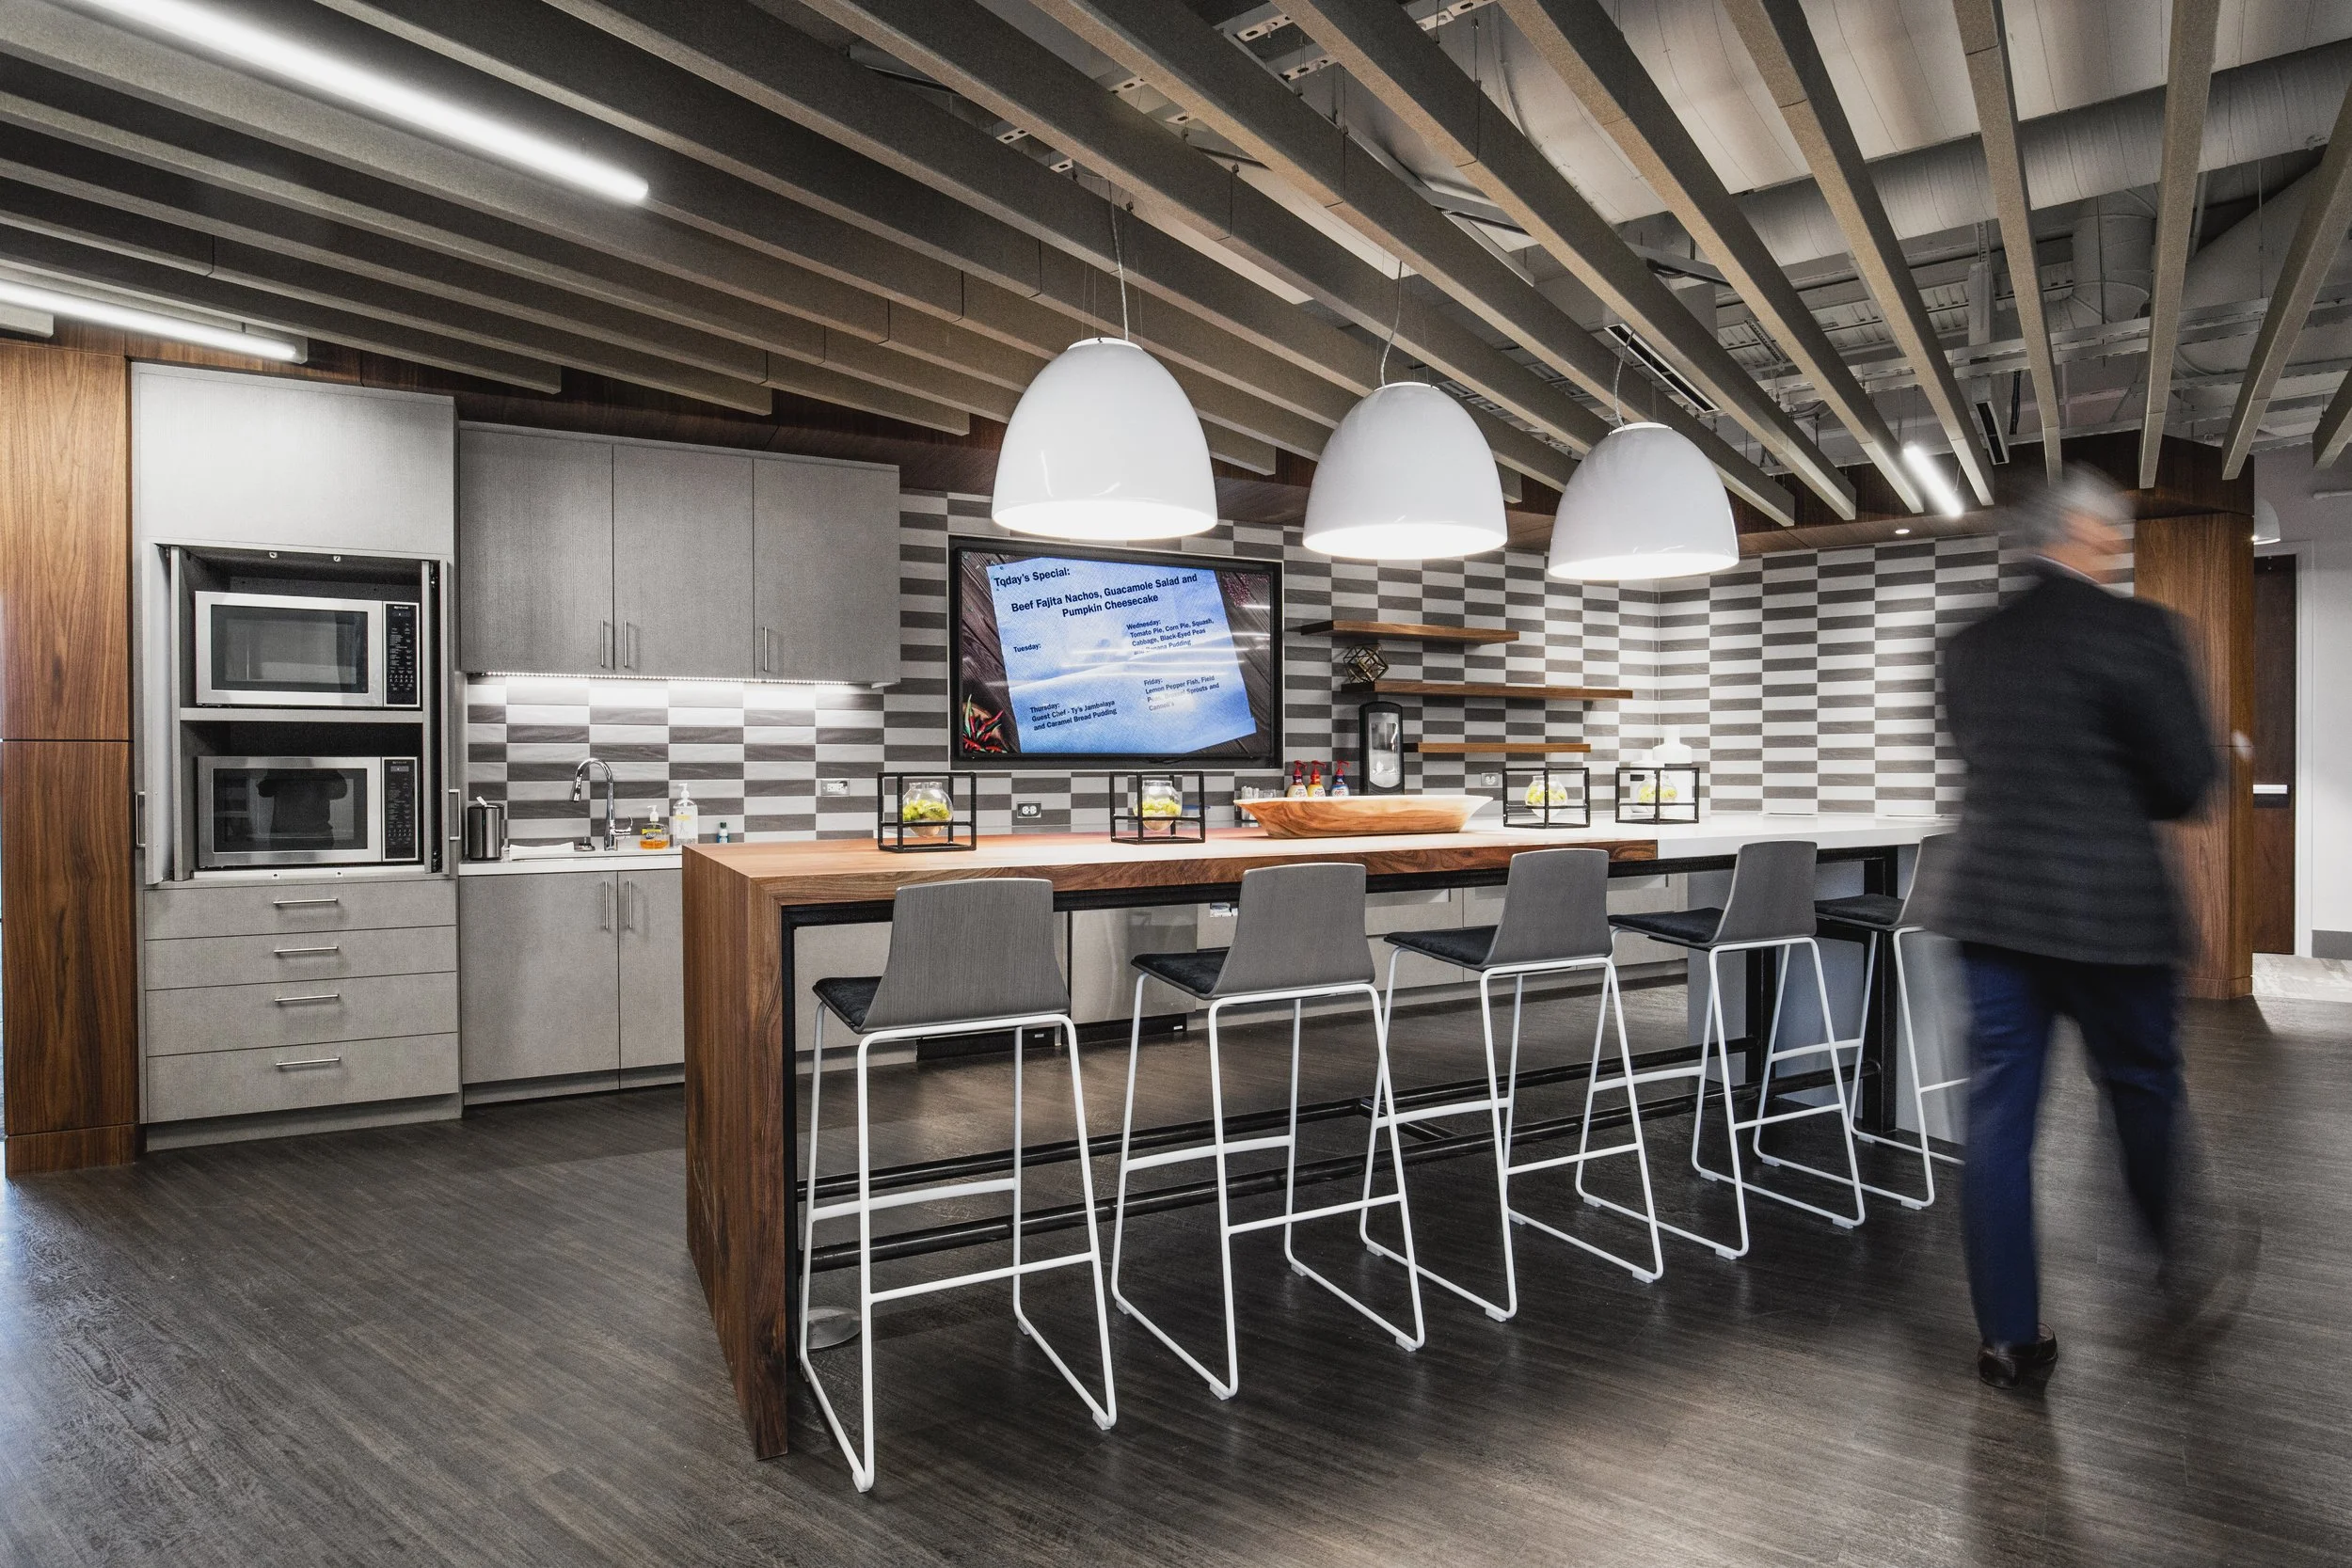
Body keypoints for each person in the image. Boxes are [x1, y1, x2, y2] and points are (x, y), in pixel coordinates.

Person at [1933, 466, 2242, 1390]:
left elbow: (1974, 752)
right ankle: (2169, 1257)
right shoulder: (2143, 631)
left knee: (1996, 1124)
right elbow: (2188, 782)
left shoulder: (1969, 644)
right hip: (2111, 912)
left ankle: (2007, 1338)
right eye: (2112, 534)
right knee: (2140, 1089)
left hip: (1991, 908)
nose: (2118, 546)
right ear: (2084, 533)